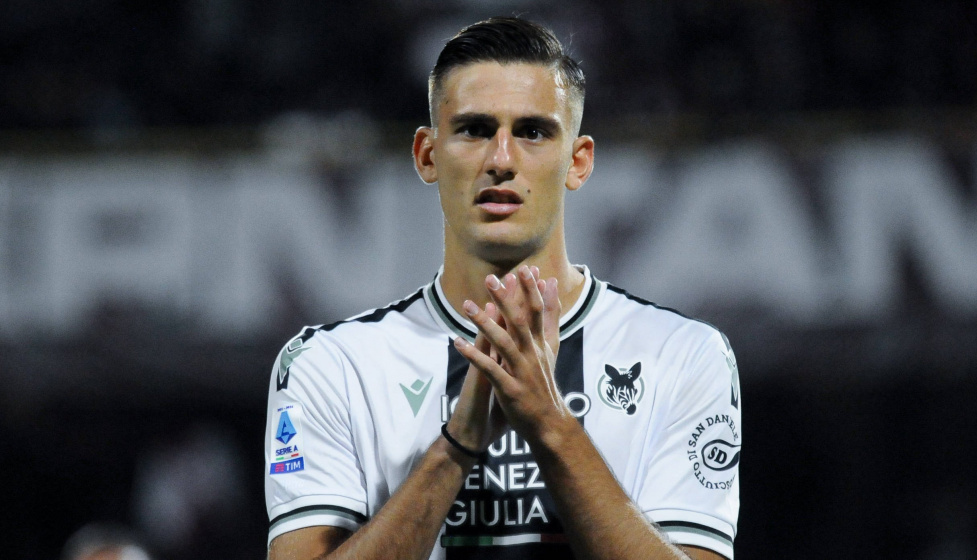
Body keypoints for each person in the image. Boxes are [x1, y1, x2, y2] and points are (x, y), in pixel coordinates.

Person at [265, 16, 740, 560]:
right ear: (426, 155)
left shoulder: (683, 356)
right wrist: (457, 446)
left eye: (533, 132)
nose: (501, 160)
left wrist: (551, 425)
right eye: (474, 129)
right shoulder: (332, 365)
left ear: (578, 161)